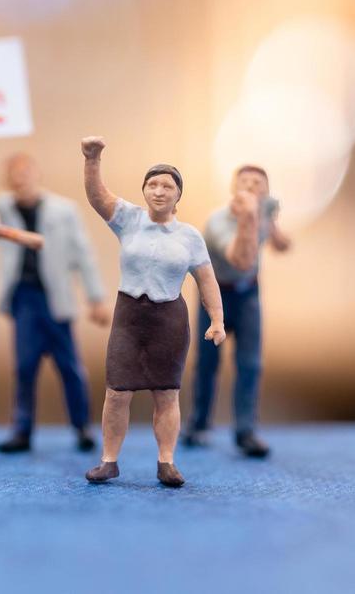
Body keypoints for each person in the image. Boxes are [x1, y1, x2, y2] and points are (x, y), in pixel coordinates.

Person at [78, 136, 226, 488]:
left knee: (167, 392)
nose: (159, 191)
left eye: (167, 186)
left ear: (178, 195)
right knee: (117, 392)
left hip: (168, 320)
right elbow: (98, 196)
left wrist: (218, 320)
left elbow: (207, 281)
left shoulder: (190, 236)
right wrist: (92, 158)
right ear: (144, 190)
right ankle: (109, 460)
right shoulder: (128, 219)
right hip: (129, 317)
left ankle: (167, 461)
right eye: (153, 184)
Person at [0, 151, 111, 454]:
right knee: (24, 366)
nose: (20, 178)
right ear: (6, 179)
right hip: (25, 298)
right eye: (13, 173)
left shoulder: (64, 210)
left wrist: (95, 298)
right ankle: (22, 429)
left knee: (70, 367)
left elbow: (84, 256)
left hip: (56, 297)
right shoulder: (3, 208)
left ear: (37, 174)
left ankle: (82, 426)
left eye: (25, 171)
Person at [183, 164, 292, 458]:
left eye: (258, 182)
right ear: (234, 188)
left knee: (250, 363)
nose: (251, 186)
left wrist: (273, 227)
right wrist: (248, 218)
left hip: (248, 294)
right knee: (207, 362)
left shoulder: (267, 209)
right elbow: (240, 259)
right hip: (216, 294)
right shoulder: (217, 222)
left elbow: (280, 242)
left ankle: (246, 431)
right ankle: (199, 424)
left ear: (266, 190)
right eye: (244, 181)